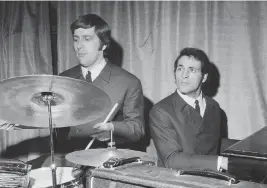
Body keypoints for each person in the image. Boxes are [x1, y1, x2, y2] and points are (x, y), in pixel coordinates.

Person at [56, 13, 145, 152]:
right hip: (68, 159)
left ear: (103, 45)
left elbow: (137, 129)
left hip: (106, 160)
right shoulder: (63, 78)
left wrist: (112, 128)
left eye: (87, 39)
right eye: (76, 39)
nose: (79, 46)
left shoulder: (129, 82)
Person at [149, 47, 228, 171]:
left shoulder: (214, 107)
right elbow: (171, 159)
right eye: (180, 69)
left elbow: (216, 147)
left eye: (192, 70)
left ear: (204, 77)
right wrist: (220, 162)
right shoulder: (161, 111)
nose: (184, 75)